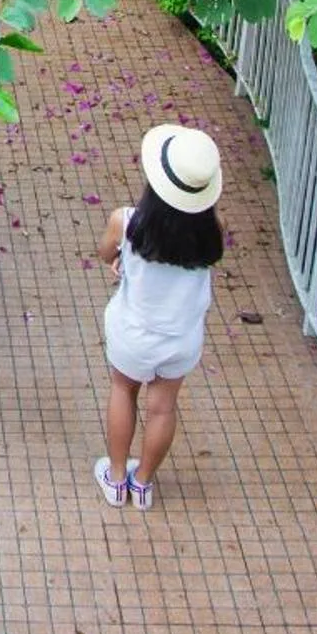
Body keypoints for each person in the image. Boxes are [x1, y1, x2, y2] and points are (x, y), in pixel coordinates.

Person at [93, 123, 224, 509]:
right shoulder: (213, 230)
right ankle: (144, 483)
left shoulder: (127, 222)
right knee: (163, 407)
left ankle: (116, 479)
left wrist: (121, 259)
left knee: (123, 391)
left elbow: (106, 253)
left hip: (133, 333)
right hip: (181, 339)